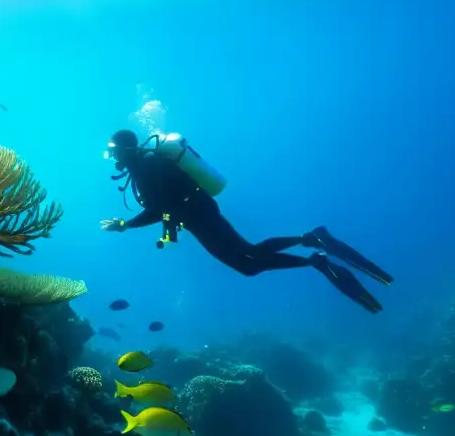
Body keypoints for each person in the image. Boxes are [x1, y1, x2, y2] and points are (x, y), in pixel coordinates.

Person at [100, 129, 393, 313]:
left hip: (200, 215)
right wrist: (167, 230)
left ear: (125, 149)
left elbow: (158, 208)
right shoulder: (146, 167)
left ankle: (312, 245)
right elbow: (163, 207)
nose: (111, 157)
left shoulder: (147, 167)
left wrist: (125, 225)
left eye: (113, 151)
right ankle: (312, 252)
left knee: (248, 256)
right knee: (247, 263)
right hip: (197, 215)